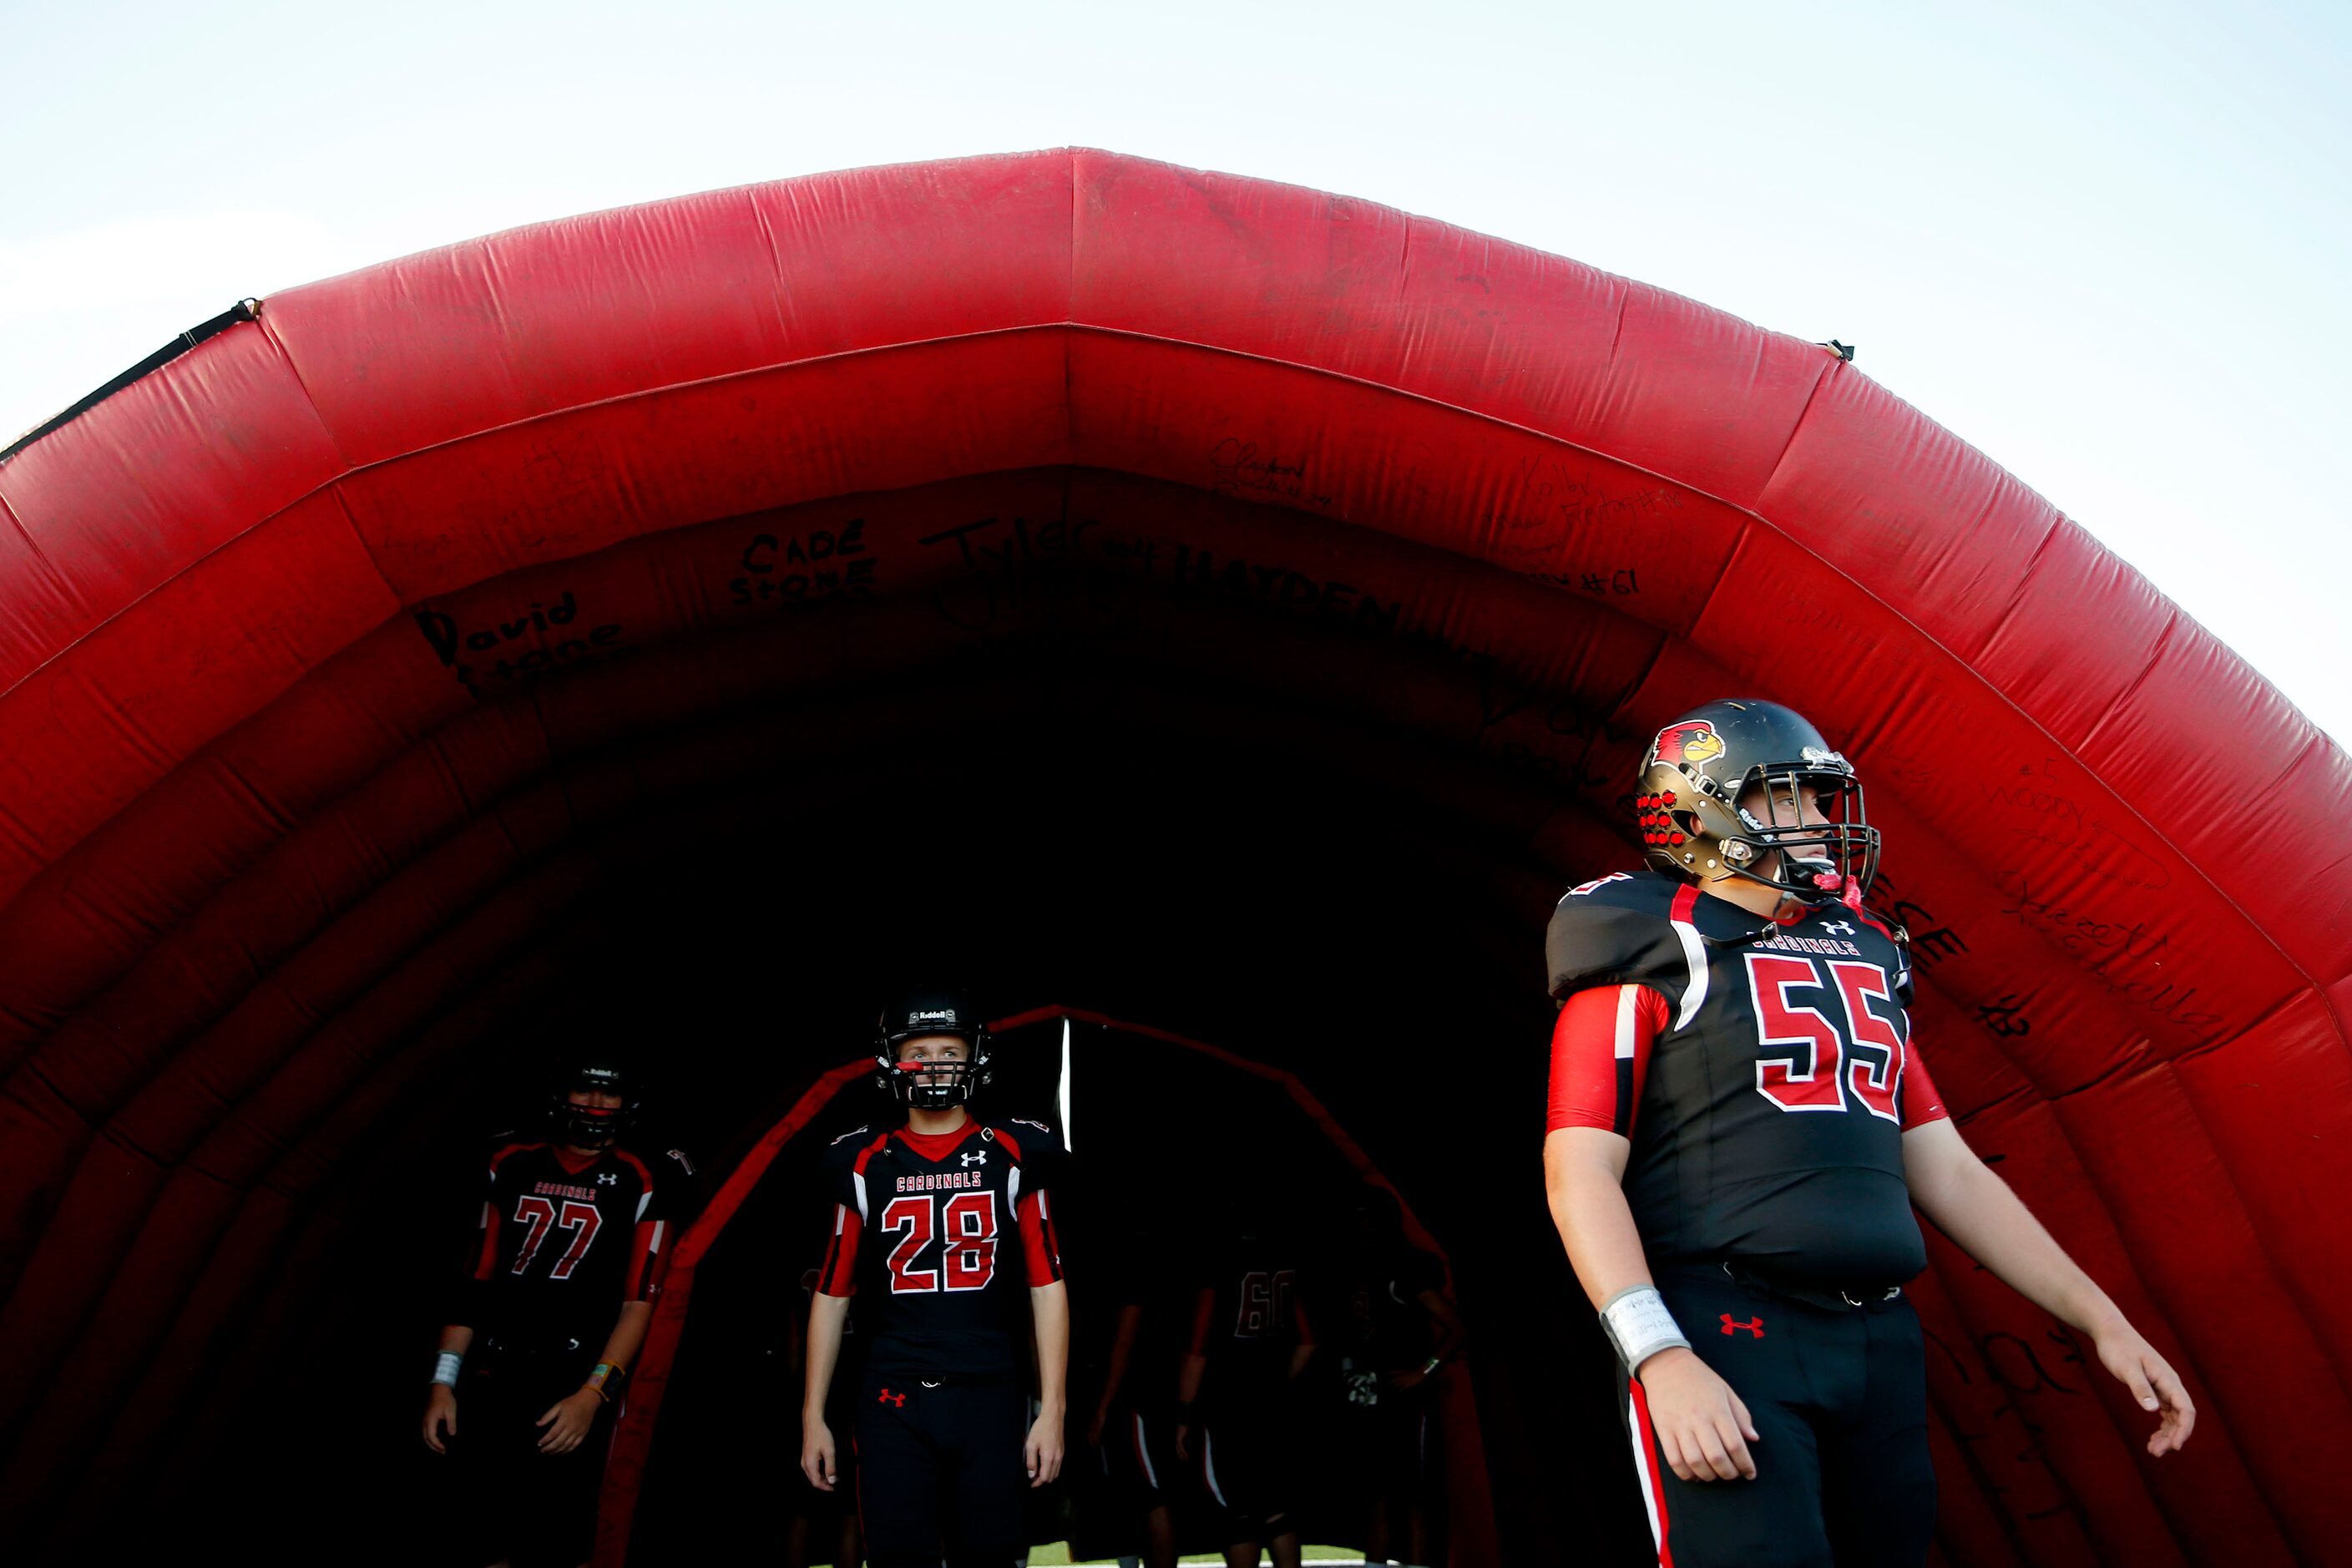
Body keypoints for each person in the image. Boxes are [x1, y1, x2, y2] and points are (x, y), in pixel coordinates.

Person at [1543, 699, 2195, 1568]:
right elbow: (1578, 1167)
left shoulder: (1864, 948)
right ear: (1703, 810)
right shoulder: (1653, 944)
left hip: (1877, 1341)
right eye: (1792, 798)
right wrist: (1659, 1356)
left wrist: (2099, 1318)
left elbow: (1946, 1167)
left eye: (1821, 797)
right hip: (1728, 1327)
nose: (1820, 819)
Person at [799, 989, 1070, 1568]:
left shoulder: (1016, 1149)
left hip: (989, 1388)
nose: (935, 1063)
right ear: (889, 1061)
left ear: (976, 1057)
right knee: (898, 1556)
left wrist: (1053, 1409)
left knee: (992, 1555)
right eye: (918, 1050)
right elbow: (832, 1292)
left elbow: (1046, 1284)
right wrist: (811, 1415)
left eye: (950, 1049)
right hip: (892, 1391)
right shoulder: (862, 1159)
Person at [421, 1054, 684, 1568]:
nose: (595, 1103)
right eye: (585, 1089)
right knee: (481, 1536)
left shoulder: (646, 1175)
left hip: (573, 1375)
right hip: (496, 1368)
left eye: (609, 1093)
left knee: (562, 1540)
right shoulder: (510, 1159)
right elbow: (476, 1278)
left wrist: (593, 1394)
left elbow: (639, 1302)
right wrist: (442, 1382)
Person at [1173, 1208, 1318, 1568]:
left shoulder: (1221, 1263)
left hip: (1229, 1408)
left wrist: (1184, 1414)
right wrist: (1278, 1385)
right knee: (1276, 1508)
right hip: (1272, 1405)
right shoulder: (1283, 1263)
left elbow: (1198, 1346)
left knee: (1236, 1514)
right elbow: (1308, 1342)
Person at [1330, 1186, 1462, 1568]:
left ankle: (1417, 1562)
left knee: (1412, 1495)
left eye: (1366, 1217)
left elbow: (1455, 1328)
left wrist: (1422, 1372)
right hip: (1365, 1395)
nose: (1360, 1226)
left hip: (1402, 1399)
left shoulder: (1405, 1266)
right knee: (1375, 1494)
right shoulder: (1354, 1265)